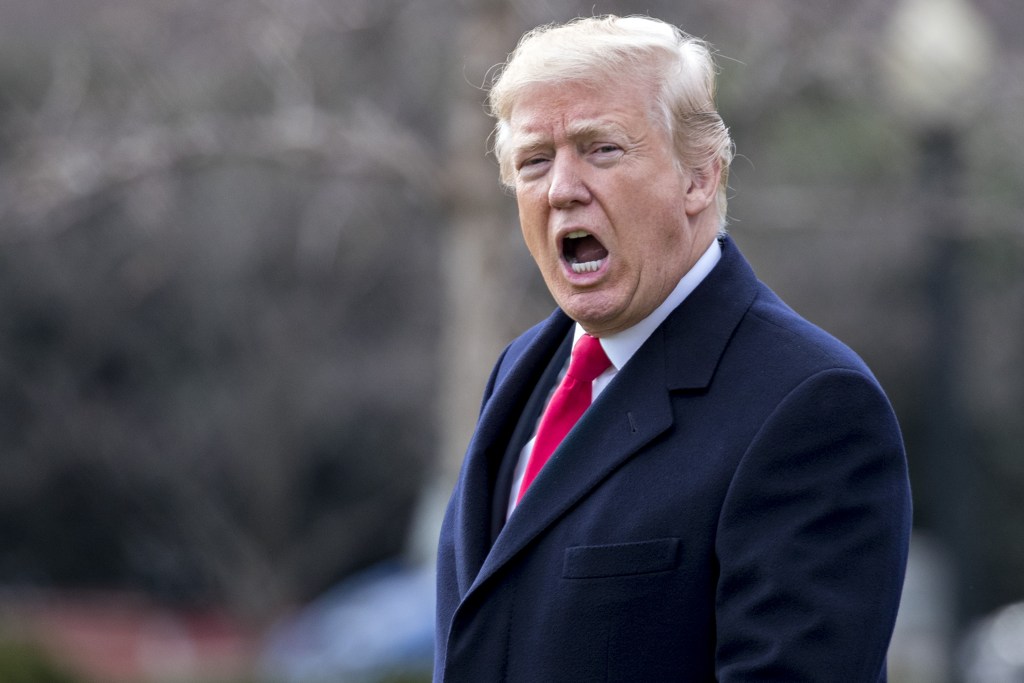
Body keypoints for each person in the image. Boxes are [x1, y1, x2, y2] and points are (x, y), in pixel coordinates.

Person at [434, 15, 912, 682]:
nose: (563, 188)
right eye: (534, 160)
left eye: (600, 149)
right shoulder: (518, 373)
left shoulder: (813, 404)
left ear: (699, 178)